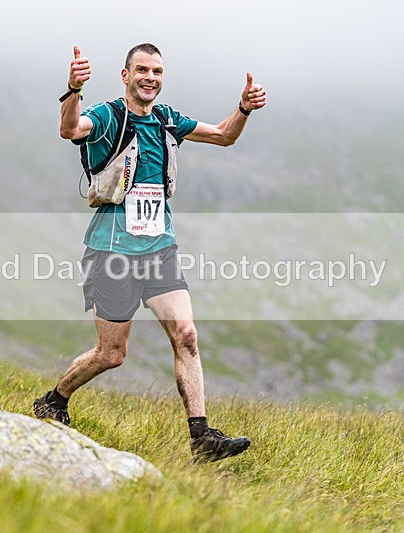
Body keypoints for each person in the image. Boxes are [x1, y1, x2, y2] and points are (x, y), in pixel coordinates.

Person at [33, 43, 266, 463]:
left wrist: (244, 109)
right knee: (112, 354)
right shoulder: (108, 116)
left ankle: (202, 438)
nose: (150, 77)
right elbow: (70, 130)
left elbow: (224, 136)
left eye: (157, 71)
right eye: (141, 70)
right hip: (112, 252)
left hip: (160, 248)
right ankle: (54, 399)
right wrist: (72, 89)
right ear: (125, 75)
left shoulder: (167, 120)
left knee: (187, 337)